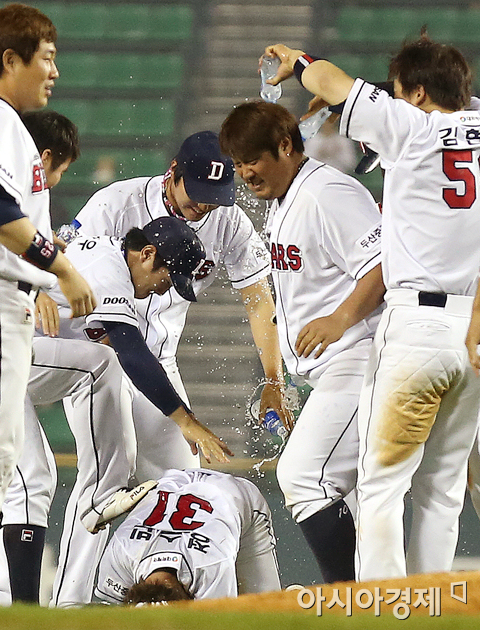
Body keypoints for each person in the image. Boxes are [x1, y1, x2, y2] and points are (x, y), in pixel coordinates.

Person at [262, 35, 480, 581]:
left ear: (419, 93)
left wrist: (298, 63)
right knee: (443, 490)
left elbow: (330, 81)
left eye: (403, 92)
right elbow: (428, 98)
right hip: (473, 325)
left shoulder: (410, 129)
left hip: (415, 328)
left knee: (382, 483)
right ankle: (436, 608)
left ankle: (383, 608)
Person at [50, 130, 291, 607]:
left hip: (157, 363)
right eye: (197, 193)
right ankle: (70, 608)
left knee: (183, 494)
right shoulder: (115, 204)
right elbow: (60, 256)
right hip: (97, 357)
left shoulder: (229, 222)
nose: (205, 206)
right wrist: (187, 419)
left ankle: (175, 609)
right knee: (104, 481)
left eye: (215, 197)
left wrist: (273, 378)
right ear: (173, 173)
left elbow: (259, 299)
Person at [0, 110, 155, 605]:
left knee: (29, 478)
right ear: (43, 159)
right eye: (59, 169)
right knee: (98, 365)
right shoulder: (8, 195)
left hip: (4, 348)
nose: (58, 179)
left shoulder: (21, 202)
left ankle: (14, 607)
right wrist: (38, 278)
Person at [220, 101, 385, 583]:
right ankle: (371, 596)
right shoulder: (286, 195)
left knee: (303, 477)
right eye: (238, 162)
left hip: (362, 356)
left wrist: (340, 318)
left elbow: (382, 265)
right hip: (332, 366)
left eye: (254, 158)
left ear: (287, 147)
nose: (245, 172)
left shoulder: (326, 192)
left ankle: (344, 597)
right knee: (352, 497)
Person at [0, 4, 96, 602]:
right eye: (46, 57)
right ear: (10, 59)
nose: (54, 71)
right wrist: (65, 269)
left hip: (1, 298)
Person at [95, 468, 281, 604]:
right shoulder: (119, 555)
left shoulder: (211, 565)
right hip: (175, 481)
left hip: (237, 495)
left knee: (265, 613)